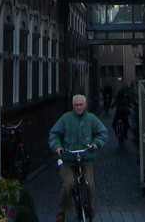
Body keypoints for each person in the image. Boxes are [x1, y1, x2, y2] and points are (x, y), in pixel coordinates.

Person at [48, 94, 108, 222]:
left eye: (81, 105)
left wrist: (96, 144)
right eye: (76, 105)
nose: (79, 107)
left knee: (90, 185)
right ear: (73, 106)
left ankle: (88, 206)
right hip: (69, 159)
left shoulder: (91, 119)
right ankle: (62, 210)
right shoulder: (65, 119)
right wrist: (57, 146)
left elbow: (102, 132)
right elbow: (54, 134)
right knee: (67, 185)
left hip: (86, 158)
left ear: (85, 105)